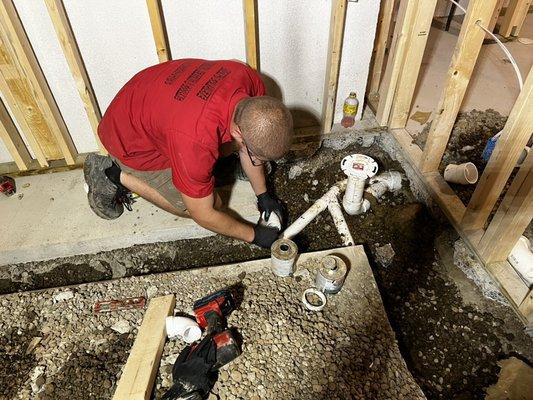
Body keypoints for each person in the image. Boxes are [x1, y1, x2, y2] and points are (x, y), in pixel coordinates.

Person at [83, 59, 293, 249]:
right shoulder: (195, 139)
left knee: (220, 152)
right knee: (212, 205)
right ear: (238, 132)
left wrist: (263, 194)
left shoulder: (248, 81)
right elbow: (203, 215)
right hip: (130, 141)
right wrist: (254, 235)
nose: (255, 160)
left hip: (151, 105)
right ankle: (111, 174)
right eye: (254, 155)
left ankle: (219, 164)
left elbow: (244, 140)